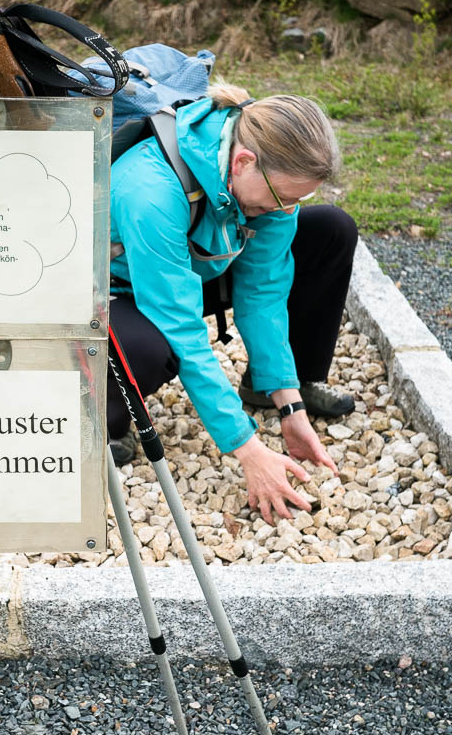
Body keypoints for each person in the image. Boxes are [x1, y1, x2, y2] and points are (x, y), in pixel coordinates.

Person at [107, 83, 358, 525]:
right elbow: (179, 326)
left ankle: (264, 383)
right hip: (111, 292)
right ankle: (103, 421)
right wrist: (247, 449)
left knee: (331, 230)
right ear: (243, 161)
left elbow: (263, 292)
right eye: (283, 198)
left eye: (298, 199)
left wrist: (289, 403)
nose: (286, 209)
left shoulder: (271, 182)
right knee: (151, 349)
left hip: (192, 264)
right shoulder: (151, 191)